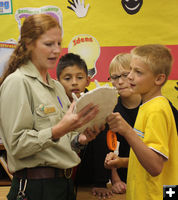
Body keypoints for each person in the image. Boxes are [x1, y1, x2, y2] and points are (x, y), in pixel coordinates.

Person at [0, 14, 104, 200]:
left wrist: (79, 139)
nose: (56, 50)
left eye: (58, 43)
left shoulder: (56, 86)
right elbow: (17, 146)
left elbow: (65, 141)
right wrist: (58, 130)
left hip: (64, 184)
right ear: (29, 44)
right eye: (49, 44)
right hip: (36, 188)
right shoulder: (17, 82)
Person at [105, 44, 178, 200]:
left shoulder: (157, 110)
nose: (130, 77)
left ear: (158, 79)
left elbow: (155, 166)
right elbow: (150, 156)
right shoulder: (148, 107)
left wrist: (127, 131)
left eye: (137, 72)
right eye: (130, 69)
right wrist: (121, 162)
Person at [56, 52, 113, 199]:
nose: (74, 82)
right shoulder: (55, 105)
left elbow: (102, 146)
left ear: (88, 80)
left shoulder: (96, 105)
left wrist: (100, 182)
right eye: (67, 78)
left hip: (88, 179)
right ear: (58, 82)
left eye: (79, 77)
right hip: (59, 178)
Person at [107, 53, 141, 194]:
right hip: (126, 184)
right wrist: (115, 180)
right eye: (115, 77)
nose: (120, 82)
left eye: (125, 75)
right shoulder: (109, 109)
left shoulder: (157, 106)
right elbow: (108, 149)